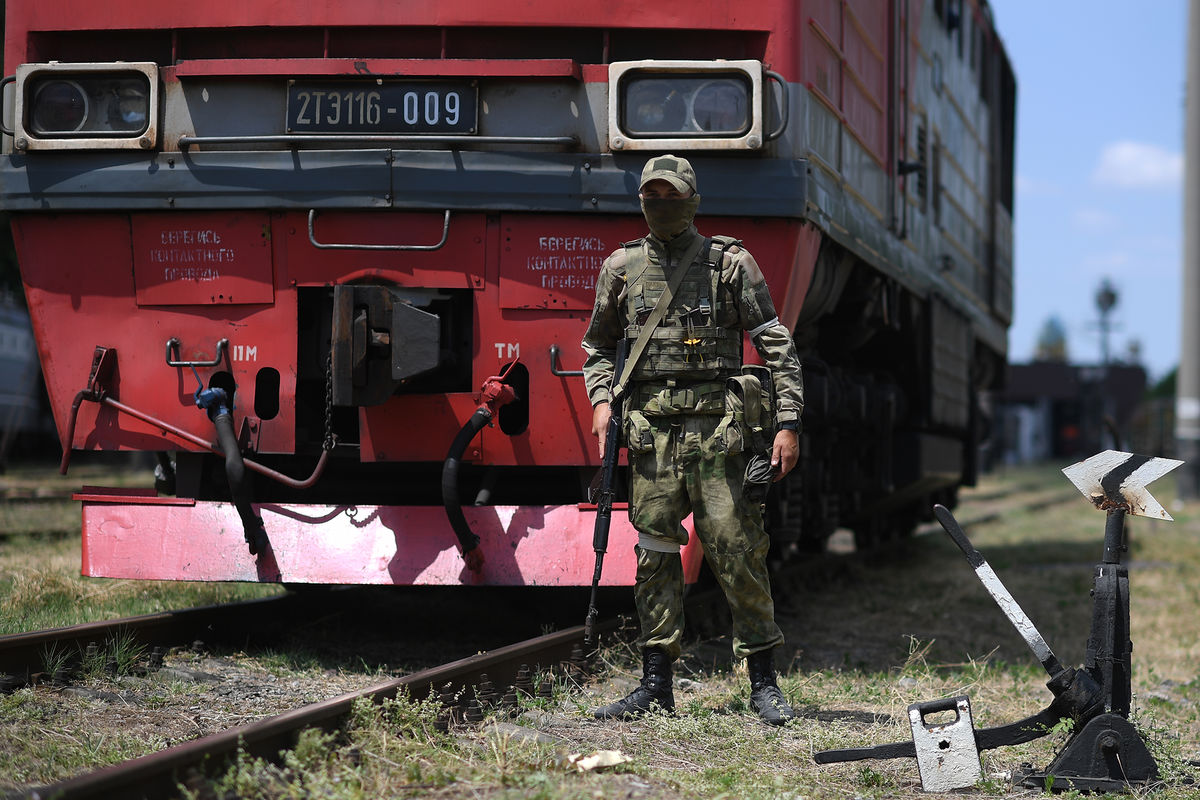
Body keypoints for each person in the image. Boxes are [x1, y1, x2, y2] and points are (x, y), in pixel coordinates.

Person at [581, 154, 804, 725]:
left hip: (717, 435)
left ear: (694, 201)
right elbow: (597, 346)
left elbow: (774, 343)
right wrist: (603, 402)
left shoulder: (730, 265)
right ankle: (656, 684)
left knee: (736, 549)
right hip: (651, 436)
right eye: (652, 197)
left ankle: (763, 681)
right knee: (654, 555)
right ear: (642, 204)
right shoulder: (623, 268)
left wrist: (787, 422)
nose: (662, 207)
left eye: (672, 196)